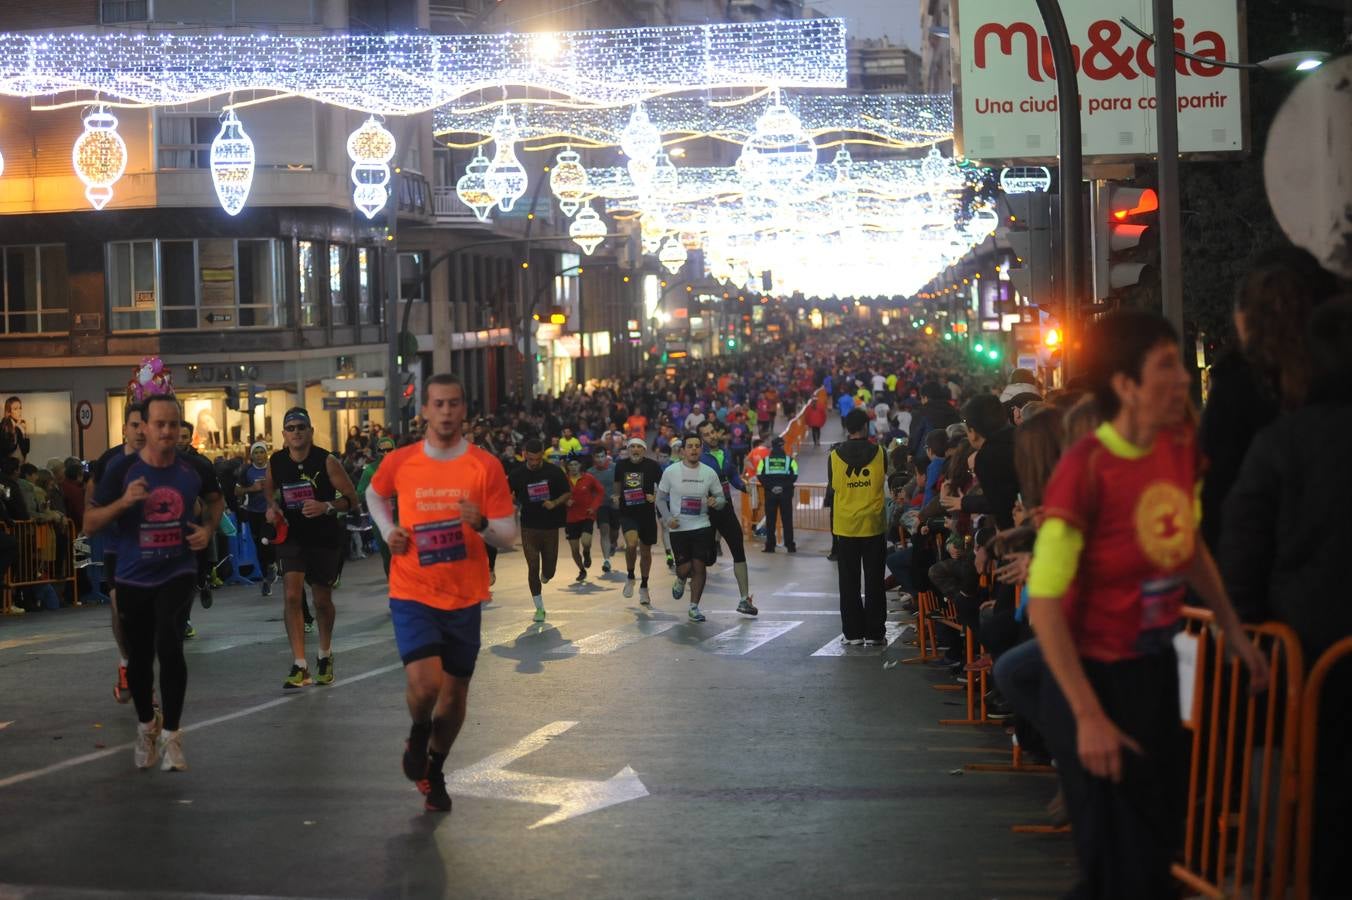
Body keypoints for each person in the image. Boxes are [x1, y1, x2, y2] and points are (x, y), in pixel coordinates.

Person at [1026, 310, 1268, 899]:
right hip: (1092, 680)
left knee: (1156, 859)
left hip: (1156, 677)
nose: (1183, 380)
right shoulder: (1085, 470)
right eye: (1166, 367)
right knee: (1119, 872)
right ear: (1125, 385)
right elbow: (1046, 604)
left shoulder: (1181, 450)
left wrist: (1234, 630)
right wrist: (1086, 715)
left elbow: (1184, 547)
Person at [1219, 295, 1352, 897]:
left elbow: (1241, 549)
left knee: (1309, 807)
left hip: (1302, 650)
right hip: (1313, 650)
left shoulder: (1284, 442)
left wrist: (1245, 636)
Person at [365, 374, 517, 813]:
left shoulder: (484, 466)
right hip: (412, 588)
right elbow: (375, 496)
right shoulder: (402, 461)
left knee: (453, 699)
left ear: (463, 409)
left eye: (454, 404)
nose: (446, 412)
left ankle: (435, 766)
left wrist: (482, 525)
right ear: (425, 411)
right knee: (425, 683)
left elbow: (508, 534)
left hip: (465, 595)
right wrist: (389, 528)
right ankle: (417, 731)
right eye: (438, 404)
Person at [85, 394, 224, 771]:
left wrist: (208, 529)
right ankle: (147, 725)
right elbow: (90, 523)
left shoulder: (192, 469)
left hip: (176, 569)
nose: (167, 431)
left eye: (173, 424)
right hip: (132, 574)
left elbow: (216, 501)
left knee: (169, 640)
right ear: (142, 427)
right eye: (159, 424)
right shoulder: (120, 470)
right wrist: (124, 503)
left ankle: (173, 736)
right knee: (141, 654)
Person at [264, 408, 360, 689]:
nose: (296, 432)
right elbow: (269, 489)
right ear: (283, 434)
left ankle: (325, 654)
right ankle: (299, 664)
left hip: (323, 537)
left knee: (321, 600)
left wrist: (326, 506)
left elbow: (351, 499)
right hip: (292, 537)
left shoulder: (326, 460)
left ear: (310, 432)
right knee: (292, 596)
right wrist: (272, 507)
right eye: (290, 428)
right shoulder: (277, 461)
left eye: (300, 427)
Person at [88, 402, 147, 701]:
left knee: (149, 619)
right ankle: (127, 663)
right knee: (119, 609)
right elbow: (92, 496)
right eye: (133, 425)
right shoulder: (109, 460)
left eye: (143, 425)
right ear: (124, 429)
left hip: (152, 548)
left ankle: (142, 676)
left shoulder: (159, 459)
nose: (139, 431)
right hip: (116, 547)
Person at [828, 408, 888, 645]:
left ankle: (852, 633)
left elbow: (833, 486)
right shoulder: (880, 453)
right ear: (865, 427)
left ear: (846, 428)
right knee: (875, 581)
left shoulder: (834, 456)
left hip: (846, 526)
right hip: (873, 524)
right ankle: (875, 633)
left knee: (849, 582)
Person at [656, 434, 725, 622]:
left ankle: (694, 607)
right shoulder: (671, 472)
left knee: (699, 566)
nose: (694, 449)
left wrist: (715, 501)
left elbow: (721, 499)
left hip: (702, 526)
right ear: (683, 451)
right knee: (685, 568)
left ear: (701, 449)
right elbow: (660, 499)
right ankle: (680, 578)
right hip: (679, 529)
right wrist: (668, 518)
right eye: (690, 446)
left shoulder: (709, 472)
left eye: (697, 446)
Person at [693, 420, 757, 616]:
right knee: (705, 558)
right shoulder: (699, 458)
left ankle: (744, 600)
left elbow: (733, 478)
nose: (711, 436)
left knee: (738, 548)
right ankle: (683, 581)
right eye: (706, 434)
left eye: (713, 432)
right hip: (706, 511)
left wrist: (745, 487)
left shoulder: (726, 453)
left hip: (726, 508)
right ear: (701, 439)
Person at [507, 439, 571, 622]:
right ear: (525, 454)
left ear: (542, 454)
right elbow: (504, 492)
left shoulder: (554, 472)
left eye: (537, 459)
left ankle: (547, 574)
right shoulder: (517, 474)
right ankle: (539, 607)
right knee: (533, 565)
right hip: (528, 527)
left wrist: (554, 503)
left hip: (550, 527)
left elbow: (567, 492)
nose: (534, 463)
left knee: (549, 570)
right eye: (530, 459)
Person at [614, 437, 663, 605]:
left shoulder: (653, 466)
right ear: (628, 449)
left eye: (639, 447)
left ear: (644, 449)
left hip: (647, 515)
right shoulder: (620, 465)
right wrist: (616, 496)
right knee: (632, 544)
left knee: (646, 551)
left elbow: (664, 487)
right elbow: (617, 484)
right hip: (627, 513)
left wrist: (655, 496)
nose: (635, 449)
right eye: (632, 447)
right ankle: (630, 576)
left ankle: (644, 586)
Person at [236, 442, 276, 596]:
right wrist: (252, 489)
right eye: (256, 452)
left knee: (266, 541)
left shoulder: (272, 469)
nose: (259, 455)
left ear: (266, 454)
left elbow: (280, 487)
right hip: (254, 512)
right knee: (259, 546)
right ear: (251, 455)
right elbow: (236, 491)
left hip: (270, 512)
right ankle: (266, 578)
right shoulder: (247, 471)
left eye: (262, 452)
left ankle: (272, 564)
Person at [563, 456, 603, 582]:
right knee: (574, 550)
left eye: (576, 464)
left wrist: (594, 507)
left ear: (580, 466)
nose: (573, 467)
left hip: (587, 515)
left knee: (586, 542)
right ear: (567, 467)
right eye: (571, 465)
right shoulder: (563, 480)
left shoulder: (589, 478)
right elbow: (556, 495)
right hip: (570, 519)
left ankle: (587, 553)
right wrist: (564, 501)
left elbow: (600, 492)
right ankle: (582, 570)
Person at [756, 436, 798, 553]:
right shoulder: (790, 460)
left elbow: (760, 475)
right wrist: (783, 487)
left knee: (770, 521)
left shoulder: (765, 461)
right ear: (782, 446)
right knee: (787, 520)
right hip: (786, 494)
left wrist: (771, 487)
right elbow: (794, 475)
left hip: (770, 494)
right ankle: (790, 546)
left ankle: (770, 546)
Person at [588, 445, 618, 574]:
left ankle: (614, 544)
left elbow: (623, 483)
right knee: (604, 530)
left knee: (614, 531)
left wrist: (618, 496)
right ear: (593, 458)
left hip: (615, 505)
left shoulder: (615, 468)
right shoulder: (590, 472)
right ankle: (606, 560)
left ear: (606, 456)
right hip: (600, 506)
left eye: (602, 456)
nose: (600, 459)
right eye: (597, 457)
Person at [1, 396, 29, 463]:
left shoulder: (20, 426)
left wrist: (24, 432)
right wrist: (15, 430)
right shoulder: (3, 426)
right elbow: (9, 448)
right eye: (15, 409)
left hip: (20, 464)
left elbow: (26, 450)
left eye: (20, 408)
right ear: (9, 411)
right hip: (8, 467)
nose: (19, 411)